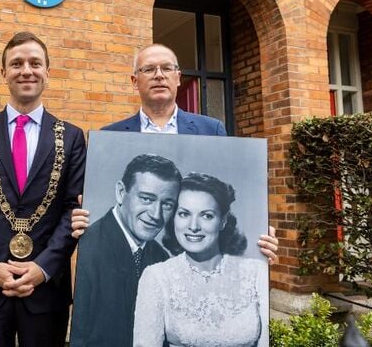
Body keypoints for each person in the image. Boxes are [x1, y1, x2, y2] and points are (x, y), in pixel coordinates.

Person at [69, 43, 278, 347]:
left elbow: (216, 197)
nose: (158, 75)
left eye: (167, 68)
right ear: (134, 80)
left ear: (179, 77)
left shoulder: (212, 130)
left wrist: (262, 234)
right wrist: (79, 218)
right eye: (148, 69)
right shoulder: (110, 136)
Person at [0, 32, 86, 347]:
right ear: (4, 74)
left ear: (47, 73)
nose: (26, 70)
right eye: (17, 64)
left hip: (46, 289)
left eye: (35, 63)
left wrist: (42, 268)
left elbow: (74, 210)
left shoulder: (72, 137)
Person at [133, 172, 268, 347]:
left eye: (207, 215)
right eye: (184, 214)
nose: (194, 226)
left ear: (223, 221)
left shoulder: (257, 272)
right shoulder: (156, 277)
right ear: (173, 218)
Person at [70, 154, 182, 347]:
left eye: (167, 204)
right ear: (121, 192)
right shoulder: (87, 246)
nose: (156, 215)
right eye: (147, 199)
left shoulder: (161, 257)